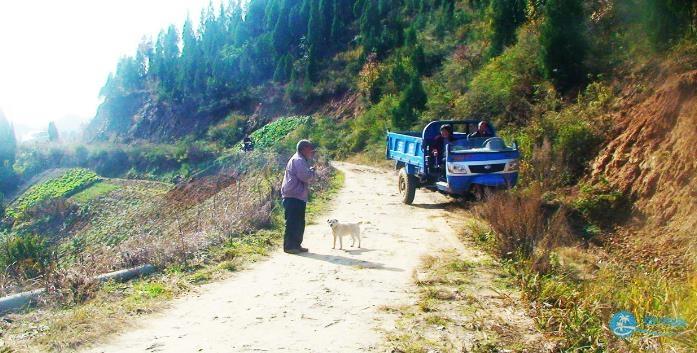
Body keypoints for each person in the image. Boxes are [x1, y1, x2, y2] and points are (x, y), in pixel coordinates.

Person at [280, 139, 316, 254]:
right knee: (292, 222)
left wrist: (310, 171)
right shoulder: (298, 160)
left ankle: (296, 245)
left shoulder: (301, 160)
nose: (312, 152)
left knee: (299, 221)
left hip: (297, 195)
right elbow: (305, 177)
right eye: (310, 149)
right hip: (293, 195)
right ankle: (290, 246)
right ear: (304, 149)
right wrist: (312, 172)